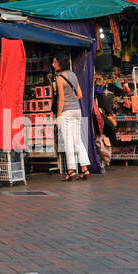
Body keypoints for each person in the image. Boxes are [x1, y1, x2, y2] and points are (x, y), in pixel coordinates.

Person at [52, 52, 90, 181]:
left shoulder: (59, 77)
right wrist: (72, 99)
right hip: (77, 111)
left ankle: (71, 170)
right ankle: (84, 169)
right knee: (78, 140)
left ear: (60, 63)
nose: (53, 65)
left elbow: (61, 99)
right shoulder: (73, 75)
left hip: (66, 112)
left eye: (54, 62)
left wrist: (58, 117)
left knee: (68, 142)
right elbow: (80, 94)